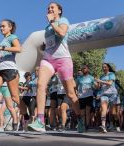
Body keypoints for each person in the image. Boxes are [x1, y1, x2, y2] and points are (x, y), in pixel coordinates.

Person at [28, 2, 84, 133]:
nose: (49, 9)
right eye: (48, 8)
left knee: (70, 93)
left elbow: (62, 33)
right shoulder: (47, 26)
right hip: (48, 59)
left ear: (59, 11)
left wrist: (52, 22)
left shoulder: (63, 20)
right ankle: (41, 121)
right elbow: (51, 41)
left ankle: (80, 119)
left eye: (52, 7)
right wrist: (44, 47)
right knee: (41, 85)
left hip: (63, 60)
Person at [95, 63, 119, 133]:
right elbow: (98, 87)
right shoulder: (101, 76)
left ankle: (117, 124)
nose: (104, 68)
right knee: (103, 109)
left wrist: (100, 81)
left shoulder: (111, 74)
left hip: (112, 94)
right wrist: (97, 82)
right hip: (104, 94)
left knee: (113, 112)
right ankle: (103, 126)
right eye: (103, 67)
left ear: (108, 67)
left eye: (105, 67)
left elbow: (110, 83)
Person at [76, 65, 97, 131]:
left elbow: (95, 87)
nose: (83, 69)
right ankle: (82, 125)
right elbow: (76, 87)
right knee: (82, 113)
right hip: (81, 96)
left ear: (88, 69)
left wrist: (96, 85)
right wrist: (76, 92)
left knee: (87, 112)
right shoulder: (79, 78)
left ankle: (87, 125)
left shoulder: (91, 78)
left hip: (89, 96)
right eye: (82, 69)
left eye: (84, 68)